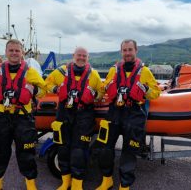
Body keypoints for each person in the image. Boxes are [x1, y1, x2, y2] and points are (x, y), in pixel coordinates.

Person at [0, 39, 47, 190]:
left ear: (22, 53)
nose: (14, 53)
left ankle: (30, 183)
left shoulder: (30, 72)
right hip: (1, 116)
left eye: (17, 50)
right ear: (6, 52)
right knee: (0, 152)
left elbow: (43, 90)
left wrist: (32, 91)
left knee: (27, 152)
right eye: (11, 50)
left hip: (23, 117)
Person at [96, 39, 161, 190]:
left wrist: (144, 90)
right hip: (114, 111)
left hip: (134, 113)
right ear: (121, 52)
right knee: (105, 147)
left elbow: (156, 92)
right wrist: (107, 87)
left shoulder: (145, 72)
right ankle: (107, 179)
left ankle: (124, 185)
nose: (127, 53)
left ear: (136, 51)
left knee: (129, 151)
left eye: (130, 50)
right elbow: (105, 86)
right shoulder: (114, 70)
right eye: (124, 50)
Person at [45, 47, 104, 190]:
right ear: (73, 56)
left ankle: (77, 184)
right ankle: (66, 182)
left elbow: (101, 93)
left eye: (84, 56)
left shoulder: (94, 75)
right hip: (64, 112)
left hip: (84, 115)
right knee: (63, 148)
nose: (81, 58)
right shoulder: (60, 72)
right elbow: (46, 84)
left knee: (79, 151)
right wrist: (56, 89)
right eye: (79, 55)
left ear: (87, 58)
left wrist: (93, 95)